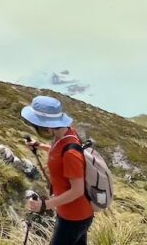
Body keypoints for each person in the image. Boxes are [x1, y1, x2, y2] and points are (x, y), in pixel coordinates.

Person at [20, 95, 94, 245]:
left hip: (73, 218)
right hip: (77, 214)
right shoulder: (66, 133)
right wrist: (40, 146)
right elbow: (59, 151)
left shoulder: (70, 153)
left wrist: (45, 205)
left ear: (48, 126)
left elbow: (77, 190)